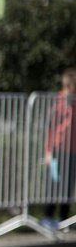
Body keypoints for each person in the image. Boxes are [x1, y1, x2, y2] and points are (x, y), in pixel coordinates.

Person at [41, 68, 76, 231]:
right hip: (57, 149)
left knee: (68, 186)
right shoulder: (58, 103)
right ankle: (48, 216)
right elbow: (51, 128)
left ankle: (64, 218)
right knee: (54, 183)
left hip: (72, 150)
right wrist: (48, 151)